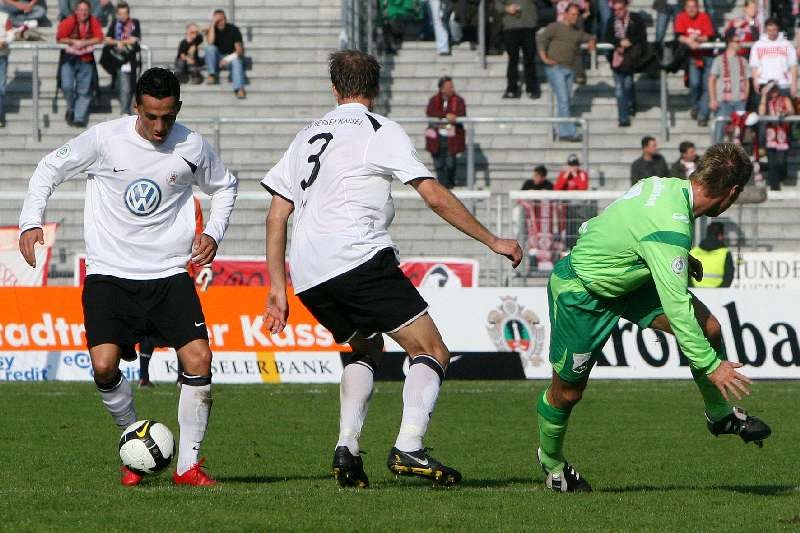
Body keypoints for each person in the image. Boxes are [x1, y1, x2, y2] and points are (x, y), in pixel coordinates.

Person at [262, 50, 522, 489]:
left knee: (366, 347)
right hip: (356, 256)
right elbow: (433, 195)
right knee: (431, 350)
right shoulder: (379, 129)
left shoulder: (305, 135)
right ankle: (409, 446)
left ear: (334, 89)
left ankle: (347, 449)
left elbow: (275, 216)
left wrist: (276, 288)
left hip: (307, 272)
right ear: (376, 89)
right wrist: (492, 240)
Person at [18, 68, 238, 487]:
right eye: (151, 116)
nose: (159, 127)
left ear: (178, 109)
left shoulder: (192, 145)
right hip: (110, 273)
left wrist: (213, 231)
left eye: (168, 117)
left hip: (168, 273)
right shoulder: (104, 140)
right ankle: (133, 442)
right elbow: (49, 169)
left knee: (199, 359)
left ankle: (188, 467)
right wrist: (31, 221)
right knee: (104, 367)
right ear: (136, 106)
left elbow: (226, 186)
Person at [537, 143, 771, 493]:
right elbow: (677, 308)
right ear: (733, 192)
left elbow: (620, 224)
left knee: (709, 328)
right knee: (567, 394)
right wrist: (712, 366)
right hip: (583, 291)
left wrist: (672, 257)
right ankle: (553, 464)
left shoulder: (662, 185)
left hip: (630, 282)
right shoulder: (670, 228)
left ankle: (720, 416)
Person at [138, 196, 210, 388]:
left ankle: (151, 377)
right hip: (168, 271)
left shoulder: (189, 201)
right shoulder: (190, 201)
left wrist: (204, 266)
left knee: (156, 324)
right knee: (173, 325)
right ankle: (172, 377)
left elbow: (198, 234)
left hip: (163, 271)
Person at [538, 4, 596, 141]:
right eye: (572, 14)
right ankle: (569, 132)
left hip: (569, 69)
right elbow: (542, 40)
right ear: (565, 14)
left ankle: (563, 130)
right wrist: (544, 58)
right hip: (555, 68)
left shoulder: (577, 31)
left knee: (566, 100)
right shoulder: (555, 26)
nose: (575, 17)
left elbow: (590, 37)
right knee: (563, 100)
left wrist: (592, 41)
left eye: (577, 15)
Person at [57, 0, 104, 128]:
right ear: (76, 11)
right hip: (69, 59)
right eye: (81, 10)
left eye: (86, 10)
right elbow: (60, 38)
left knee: (84, 89)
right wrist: (73, 41)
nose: (83, 13)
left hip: (86, 59)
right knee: (67, 86)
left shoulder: (93, 21)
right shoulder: (69, 21)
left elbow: (99, 37)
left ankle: (79, 117)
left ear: (89, 11)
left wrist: (85, 43)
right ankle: (71, 108)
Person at [604, 0, 646, 127]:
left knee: (628, 84)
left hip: (630, 59)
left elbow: (642, 35)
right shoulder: (611, 21)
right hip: (616, 59)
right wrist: (618, 43)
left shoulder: (636, 18)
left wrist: (629, 42)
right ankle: (623, 119)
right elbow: (607, 37)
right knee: (619, 90)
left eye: (620, 9)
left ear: (626, 7)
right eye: (615, 10)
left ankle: (631, 104)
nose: (618, 12)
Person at [675, 0, 715, 127]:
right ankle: (695, 106)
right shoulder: (681, 17)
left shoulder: (704, 17)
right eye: (689, 7)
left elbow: (709, 36)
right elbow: (678, 35)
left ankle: (703, 115)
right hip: (693, 56)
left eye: (694, 7)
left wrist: (697, 38)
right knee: (695, 83)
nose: (691, 9)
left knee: (706, 86)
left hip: (707, 55)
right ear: (685, 8)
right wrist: (689, 41)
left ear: (698, 7)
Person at [709, 29, 750, 142]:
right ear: (730, 43)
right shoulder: (719, 60)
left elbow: (747, 80)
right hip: (723, 101)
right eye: (737, 41)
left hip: (740, 101)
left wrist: (745, 96)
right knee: (720, 129)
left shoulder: (743, 61)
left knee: (739, 133)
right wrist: (713, 99)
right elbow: (712, 80)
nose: (740, 44)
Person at [425, 76, 466, 189]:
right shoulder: (434, 100)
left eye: (452, 86)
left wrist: (451, 117)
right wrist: (446, 115)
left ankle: (450, 184)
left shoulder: (458, 100)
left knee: (450, 163)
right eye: (449, 87)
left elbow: (461, 113)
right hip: (436, 136)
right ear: (442, 89)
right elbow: (430, 112)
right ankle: (443, 187)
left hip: (452, 136)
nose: (452, 89)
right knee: (438, 164)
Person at [497, 0, 541, 99]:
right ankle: (512, 88)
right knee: (513, 59)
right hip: (511, 26)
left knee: (529, 58)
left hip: (529, 25)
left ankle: (532, 88)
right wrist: (506, 8)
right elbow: (497, 4)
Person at [102, 1, 140, 116]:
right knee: (125, 87)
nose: (123, 16)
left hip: (132, 59)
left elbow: (134, 39)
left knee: (133, 87)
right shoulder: (115, 23)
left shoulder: (134, 22)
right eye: (120, 13)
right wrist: (119, 42)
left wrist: (120, 42)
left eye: (125, 13)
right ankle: (125, 112)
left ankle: (132, 112)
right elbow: (107, 39)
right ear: (117, 14)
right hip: (120, 60)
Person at [749, 18, 798, 97]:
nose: (772, 33)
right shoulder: (758, 45)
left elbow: (793, 65)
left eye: (774, 29)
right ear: (765, 30)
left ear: (778, 29)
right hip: (764, 83)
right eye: (769, 30)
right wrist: (755, 81)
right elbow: (754, 65)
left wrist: (794, 83)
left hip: (783, 84)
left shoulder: (787, 44)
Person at [204, 9, 246, 99]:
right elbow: (210, 42)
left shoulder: (234, 29)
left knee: (237, 62)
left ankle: (239, 89)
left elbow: (239, 51)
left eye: (222, 19)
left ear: (225, 19)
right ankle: (212, 74)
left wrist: (227, 59)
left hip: (230, 59)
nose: (220, 22)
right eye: (217, 20)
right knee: (210, 48)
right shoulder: (212, 29)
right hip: (217, 59)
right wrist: (212, 24)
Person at [758, 81, 794, 190]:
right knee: (772, 162)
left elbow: (792, 111)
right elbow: (761, 113)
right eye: (771, 89)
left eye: (775, 89)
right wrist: (764, 95)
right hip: (771, 136)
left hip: (782, 135)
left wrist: (786, 113)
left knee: (781, 161)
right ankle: (774, 186)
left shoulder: (785, 99)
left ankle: (782, 176)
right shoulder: (766, 101)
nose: (774, 91)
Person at [689, 222, 734, 288]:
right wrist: (720, 291)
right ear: (720, 236)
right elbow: (728, 276)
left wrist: (692, 289)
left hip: (695, 291)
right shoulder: (725, 253)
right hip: (718, 292)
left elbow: (685, 274)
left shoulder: (693, 252)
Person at [0, 9, 14, 128]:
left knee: (0, 88)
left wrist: (4, 42)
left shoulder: (4, 16)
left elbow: (11, 34)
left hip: (1, 56)